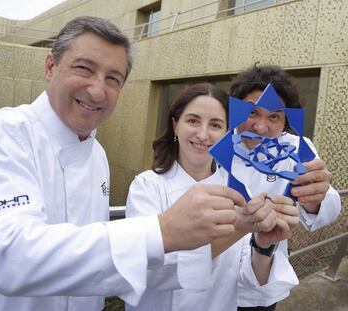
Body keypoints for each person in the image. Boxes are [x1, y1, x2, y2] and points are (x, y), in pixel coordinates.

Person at [0, 17, 245, 311]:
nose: (97, 90)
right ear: (51, 66)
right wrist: (161, 230)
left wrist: (244, 229)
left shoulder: (98, 156)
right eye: (84, 68)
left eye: (113, 79)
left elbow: (125, 266)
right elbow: (9, 259)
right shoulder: (2, 135)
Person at [125, 83, 301, 311]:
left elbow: (249, 279)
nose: (203, 134)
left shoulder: (236, 189)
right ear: (175, 124)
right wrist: (240, 227)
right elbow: (150, 271)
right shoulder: (147, 186)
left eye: (215, 124)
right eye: (193, 121)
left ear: (227, 133)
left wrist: (263, 246)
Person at [228, 65, 341, 311]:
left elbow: (330, 206)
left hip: (263, 280)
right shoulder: (216, 142)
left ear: (285, 119)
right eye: (252, 113)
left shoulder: (296, 147)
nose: (260, 127)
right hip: (210, 279)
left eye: (274, 117)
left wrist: (313, 199)